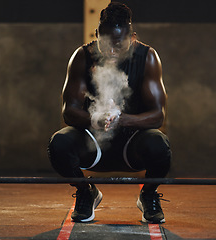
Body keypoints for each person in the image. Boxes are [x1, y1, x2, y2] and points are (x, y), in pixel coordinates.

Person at [48, 2, 171, 224]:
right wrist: (96, 119)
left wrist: (123, 120)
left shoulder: (148, 57)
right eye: (105, 43)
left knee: (159, 144)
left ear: (132, 38)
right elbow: (69, 112)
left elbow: (157, 116)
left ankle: (149, 194)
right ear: (97, 35)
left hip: (132, 146)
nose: (111, 50)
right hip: (93, 144)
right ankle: (86, 192)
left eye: (118, 44)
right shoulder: (82, 56)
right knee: (59, 143)